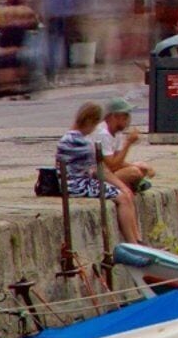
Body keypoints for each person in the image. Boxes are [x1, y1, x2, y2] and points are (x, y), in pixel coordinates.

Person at [54, 100, 140, 245]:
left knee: (125, 195)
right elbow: (101, 171)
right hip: (77, 185)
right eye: (93, 125)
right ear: (88, 122)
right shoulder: (82, 143)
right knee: (123, 198)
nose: (93, 129)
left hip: (70, 181)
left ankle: (138, 239)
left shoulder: (68, 137)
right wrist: (122, 186)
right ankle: (133, 242)